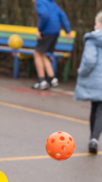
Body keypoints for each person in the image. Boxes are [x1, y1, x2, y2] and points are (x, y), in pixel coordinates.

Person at [73, 12, 102, 154]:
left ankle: (92, 138)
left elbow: (90, 60)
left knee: (94, 108)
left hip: (95, 80)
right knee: (101, 110)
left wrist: (82, 71)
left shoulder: (94, 39)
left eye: (96, 23)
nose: (94, 26)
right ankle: (95, 139)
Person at [32, 0, 72, 90]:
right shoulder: (52, 3)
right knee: (43, 54)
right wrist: (67, 30)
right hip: (55, 32)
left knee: (37, 53)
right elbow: (62, 15)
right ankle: (51, 78)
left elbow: (45, 16)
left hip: (47, 31)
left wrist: (40, 30)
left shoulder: (40, 2)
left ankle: (41, 81)